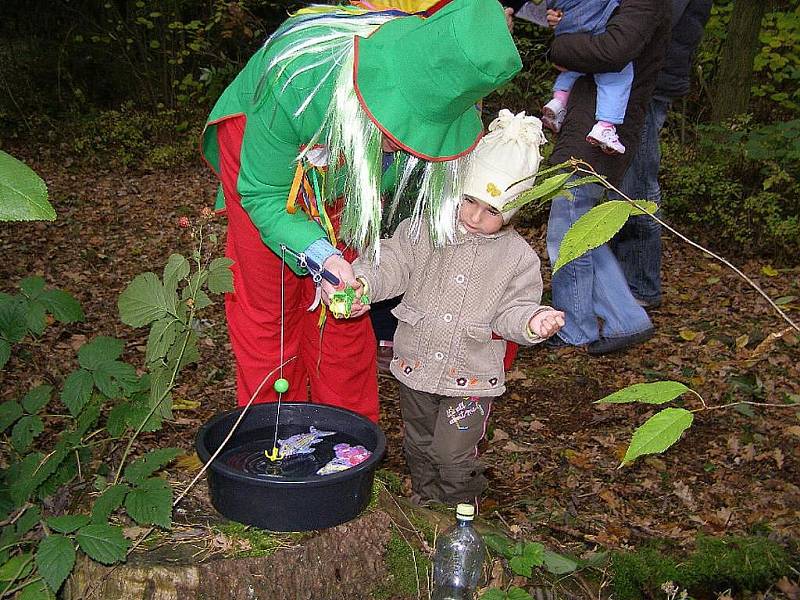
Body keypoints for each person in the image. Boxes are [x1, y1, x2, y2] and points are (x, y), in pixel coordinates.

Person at [200, 0, 522, 422]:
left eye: (420, 133)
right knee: (269, 299)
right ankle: (275, 433)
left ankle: (347, 437)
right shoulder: (294, 80)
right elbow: (264, 194)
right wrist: (319, 253)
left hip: (350, 171)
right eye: (401, 125)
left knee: (346, 301)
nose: (406, 143)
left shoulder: (443, 80)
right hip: (272, 147)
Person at [350, 110, 565, 505]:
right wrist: (364, 282)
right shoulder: (423, 228)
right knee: (418, 445)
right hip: (416, 366)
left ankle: (457, 509)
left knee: (452, 454)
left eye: (492, 211)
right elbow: (392, 263)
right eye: (469, 200)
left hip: (472, 377)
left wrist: (533, 321)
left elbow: (513, 310)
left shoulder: (517, 258)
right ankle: (426, 504)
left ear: (512, 212)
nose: (474, 217)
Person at [544, 0, 671, 355]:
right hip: (591, 124)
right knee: (582, 227)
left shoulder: (644, 5)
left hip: (604, 130)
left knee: (567, 231)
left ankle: (576, 327)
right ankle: (625, 317)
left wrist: (560, 46)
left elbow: (613, 51)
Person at [609, 0, 712, 309]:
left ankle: (640, 286)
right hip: (638, 77)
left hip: (648, 80)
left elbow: (647, 20)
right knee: (623, 181)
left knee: (637, 185)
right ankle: (621, 282)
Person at [538, 0, 632, 155]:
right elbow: (615, 54)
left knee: (574, 61)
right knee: (617, 77)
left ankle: (559, 100)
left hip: (571, 26)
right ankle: (605, 125)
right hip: (598, 29)